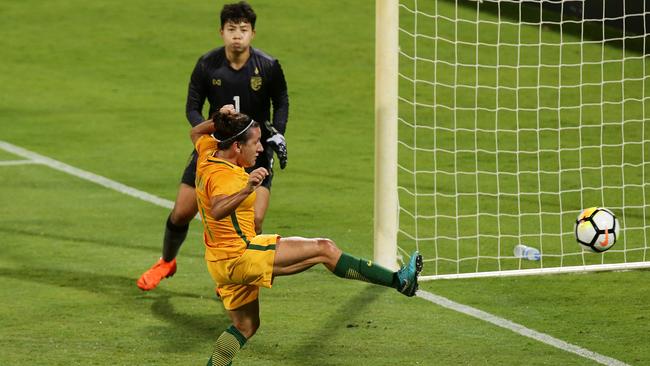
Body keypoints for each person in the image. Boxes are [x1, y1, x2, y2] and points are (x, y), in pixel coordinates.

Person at [192, 106, 423, 366]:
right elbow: (218, 209)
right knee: (324, 248)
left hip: (218, 261)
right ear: (236, 146)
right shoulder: (226, 178)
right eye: (255, 143)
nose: (259, 149)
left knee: (245, 326)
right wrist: (247, 188)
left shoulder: (208, 151)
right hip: (240, 255)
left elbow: (195, 132)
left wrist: (220, 120)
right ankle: (399, 281)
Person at [137, 1, 289, 291]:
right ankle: (166, 262)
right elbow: (192, 108)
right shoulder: (207, 65)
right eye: (231, 29)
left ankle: (238, 279)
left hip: (252, 151)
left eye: (243, 30)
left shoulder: (268, 66)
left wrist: (278, 133)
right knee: (182, 212)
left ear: (253, 33)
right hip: (213, 150)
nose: (237, 36)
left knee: (254, 220)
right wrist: (214, 124)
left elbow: (281, 101)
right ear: (221, 32)